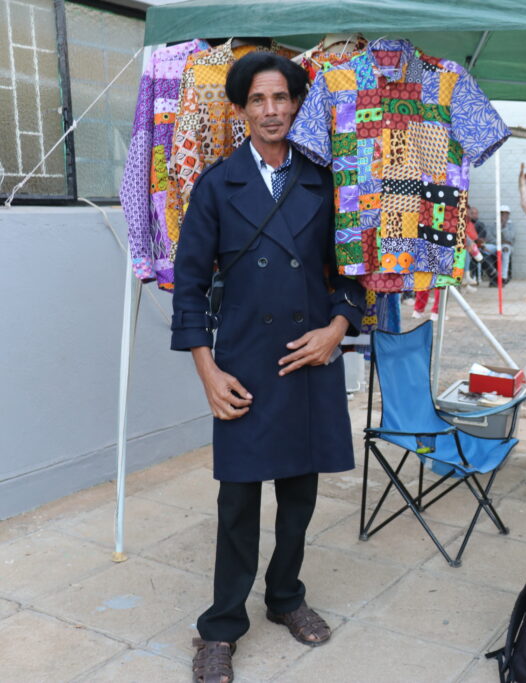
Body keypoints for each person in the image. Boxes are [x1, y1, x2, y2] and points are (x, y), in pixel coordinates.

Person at [171, 53, 366, 682]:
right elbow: (190, 287)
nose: (271, 110)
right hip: (246, 364)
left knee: (300, 498)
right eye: (258, 100)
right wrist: (207, 370)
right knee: (237, 503)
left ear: (297, 104)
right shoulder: (216, 185)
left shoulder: (325, 181)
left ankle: (286, 597)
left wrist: (335, 330)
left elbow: (353, 276)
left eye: (281, 98)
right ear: (241, 109)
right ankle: (221, 626)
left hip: (308, 360)